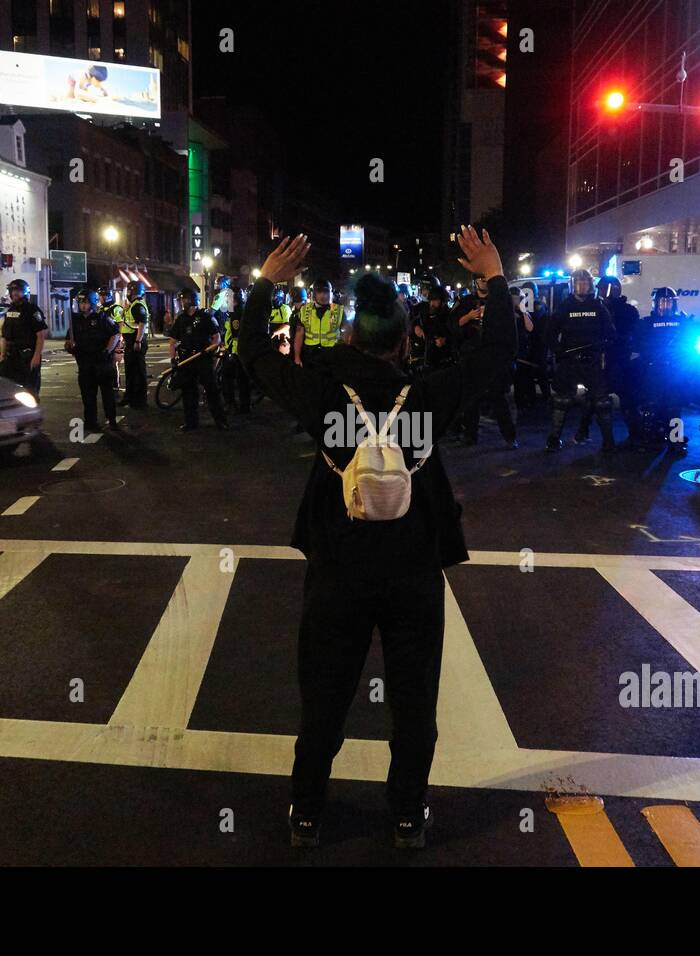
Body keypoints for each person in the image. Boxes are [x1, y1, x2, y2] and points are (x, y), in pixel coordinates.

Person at [238, 228, 515, 850]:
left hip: (338, 570)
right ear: (404, 337)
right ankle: (406, 816)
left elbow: (254, 353)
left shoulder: (325, 395)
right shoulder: (427, 398)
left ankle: (306, 812)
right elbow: (499, 352)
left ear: (353, 336)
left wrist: (265, 284)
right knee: (414, 703)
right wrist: (494, 277)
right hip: (413, 572)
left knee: (325, 697)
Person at [546, 268, 618, 451]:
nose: (582, 287)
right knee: (561, 401)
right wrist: (559, 350)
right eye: (579, 283)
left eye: (585, 283)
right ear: (572, 285)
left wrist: (604, 344)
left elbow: (610, 333)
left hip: (592, 361)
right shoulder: (564, 306)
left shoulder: (598, 306)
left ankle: (609, 443)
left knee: (601, 402)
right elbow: (550, 334)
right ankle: (553, 440)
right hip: (569, 361)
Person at [455, 273, 517, 447]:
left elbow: (508, 327)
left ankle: (510, 437)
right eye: (481, 280)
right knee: (471, 399)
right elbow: (453, 325)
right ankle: (470, 436)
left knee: (498, 397)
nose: (484, 283)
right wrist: (468, 317)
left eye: (486, 280)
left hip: (493, 356)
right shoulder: (466, 302)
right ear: (475, 282)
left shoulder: (498, 301)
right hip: (472, 356)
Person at [634, 287, 691, 455]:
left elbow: (690, 343)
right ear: (655, 303)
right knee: (651, 407)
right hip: (654, 370)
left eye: (669, 302)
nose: (665, 305)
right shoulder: (645, 323)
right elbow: (638, 346)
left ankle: (675, 441)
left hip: (675, 371)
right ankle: (648, 440)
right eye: (662, 301)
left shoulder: (682, 322)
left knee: (675, 407)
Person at [168, 287, 227, 431]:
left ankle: (220, 421)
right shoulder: (181, 319)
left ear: (191, 300)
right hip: (186, 359)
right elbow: (173, 340)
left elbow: (216, 338)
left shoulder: (205, 317)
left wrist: (209, 350)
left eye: (184, 299)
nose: (182, 302)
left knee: (211, 390)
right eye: (181, 299)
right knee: (188, 392)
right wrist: (173, 358)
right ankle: (191, 422)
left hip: (202, 358)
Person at [65, 289, 121, 432]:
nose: (82, 305)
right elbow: (68, 340)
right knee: (88, 396)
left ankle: (112, 419)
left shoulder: (102, 317)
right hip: (85, 364)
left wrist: (107, 350)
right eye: (81, 302)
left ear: (92, 303)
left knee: (107, 394)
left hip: (102, 363)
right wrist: (69, 347)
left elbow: (115, 334)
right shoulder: (75, 320)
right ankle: (91, 422)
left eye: (85, 302)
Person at [597, 276, 642, 445]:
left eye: (602, 289)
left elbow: (631, 334)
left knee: (624, 401)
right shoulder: (602, 308)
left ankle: (634, 433)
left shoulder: (625, 310)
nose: (600, 292)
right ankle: (629, 435)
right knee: (613, 401)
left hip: (619, 360)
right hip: (613, 359)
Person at [0, 278, 47, 394]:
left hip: (27, 356)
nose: (14, 293)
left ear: (24, 292)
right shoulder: (9, 311)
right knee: (12, 391)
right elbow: (4, 335)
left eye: (18, 290)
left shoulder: (32, 310)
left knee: (30, 390)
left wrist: (36, 356)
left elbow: (40, 335)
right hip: (11, 357)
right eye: (12, 291)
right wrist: (2, 354)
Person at [293, 278, 347, 367]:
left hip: (332, 354)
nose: (323, 295)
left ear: (331, 293)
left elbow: (347, 334)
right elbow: (299, 335)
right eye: (319, 292)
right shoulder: (305, 310)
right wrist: (297, 357)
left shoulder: (339, 310)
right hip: (310, 354)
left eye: (326, 292)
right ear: (314, 294)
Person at [221, 280, 252, 414]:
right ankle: (244, 405)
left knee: (232, 378)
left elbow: (237, 335)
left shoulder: (237, 314)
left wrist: (231, 351)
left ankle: (233, 404)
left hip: (237, 352)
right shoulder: (238, 312)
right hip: (237, 351)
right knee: (241, 380)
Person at [118, 280, 150, 409]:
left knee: (138, 372)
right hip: (131, 340)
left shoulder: (138, 306)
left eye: (130, 291)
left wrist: (137, 341)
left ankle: (139, 401)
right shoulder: (133, 305)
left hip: (135, 341)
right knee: (131, 371)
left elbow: (141, 324)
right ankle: (130, 398)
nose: (128, 293)